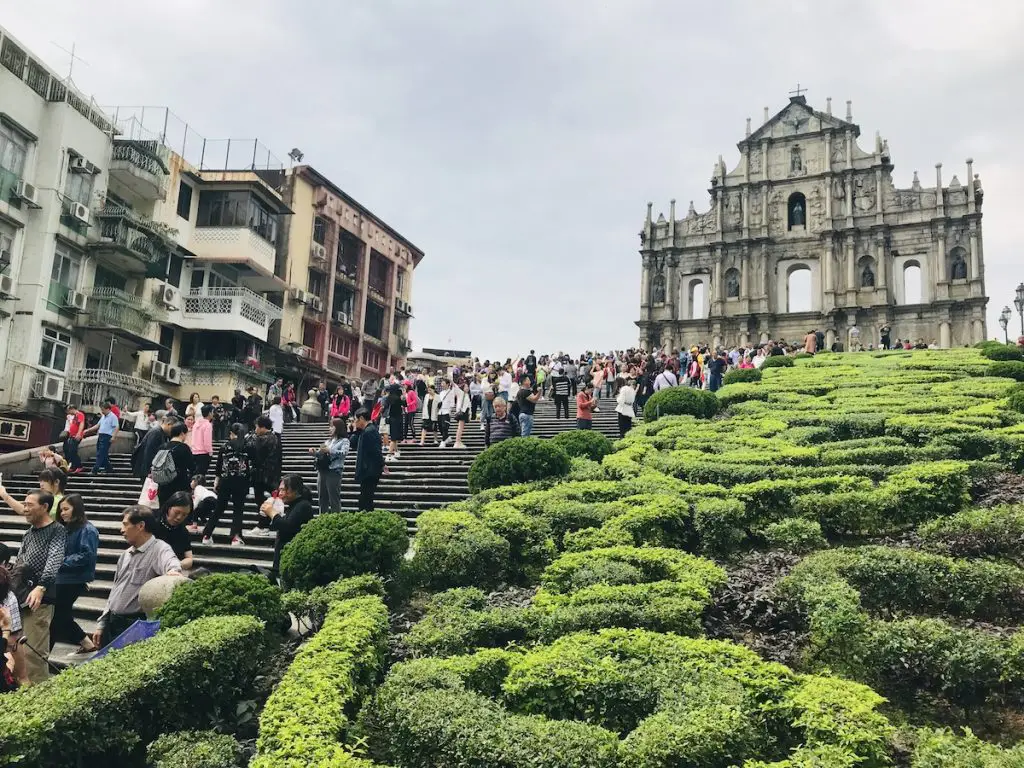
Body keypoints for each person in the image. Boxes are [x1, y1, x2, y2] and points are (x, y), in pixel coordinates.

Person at [0, 486, 65, 684]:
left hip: (40, 599)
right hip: (20, 596)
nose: (25, 509)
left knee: (34, 654)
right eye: (25, 505)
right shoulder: (29, 533)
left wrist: (41, 586)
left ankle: (39, 698)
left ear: (45, 507)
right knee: (18, 649)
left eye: (29, 505)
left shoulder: (57, 530)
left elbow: (55, 559)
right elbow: (20, 562)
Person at [92, 506, 181, 649]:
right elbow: (115, 590)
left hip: (134, 626)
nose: (122, 530)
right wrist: (102, 624)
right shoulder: (125, 554)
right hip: (112, 622)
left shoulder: (159, 549)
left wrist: (173, 571)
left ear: (140, 526)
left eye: (125, 524)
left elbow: (172, 563)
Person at [51, 493, 98, 653]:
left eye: (66, 509)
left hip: (73, 579)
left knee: (58, 616)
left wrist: (61, 561)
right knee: (61, 615)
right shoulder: (66, 529)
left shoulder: (88, 530)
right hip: (61, 578)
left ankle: (46, 653)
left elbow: (86, 555)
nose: (62, 513)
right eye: (61, 510)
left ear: (76, 509)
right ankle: (87, 644)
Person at [261, 474, 315, 582]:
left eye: (283, 490)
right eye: (279, 490)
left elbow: (287, 526)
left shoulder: (303, 506)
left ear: (295, 490)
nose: (280, 494)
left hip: (292, 560)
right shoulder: (293, 505)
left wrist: (272, 513)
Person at [204, 424, 250, 546]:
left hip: (225, 481)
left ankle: (207, 534)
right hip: (241, 481)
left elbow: (218, 466)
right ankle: (236, 537)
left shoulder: (224, 447)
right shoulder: (247, 446)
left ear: (231, 433)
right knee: (238, 510)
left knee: (219, 508)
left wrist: (216, 480)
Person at [310, 418, 349, 515]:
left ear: (338, 427)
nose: (330, 428)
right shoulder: (328, 441)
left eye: (332, 426)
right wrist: (315, 453)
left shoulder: (344, 441)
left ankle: (336, 519)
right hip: (322, 470)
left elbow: (344, 453)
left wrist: (330, 451)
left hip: (334, 471)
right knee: (322, 497)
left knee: (333, 498)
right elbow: (321, 454)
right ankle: (322, 518)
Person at [249, 416, 282, 531]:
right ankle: (266, 522)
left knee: (260, 499)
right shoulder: (276, 438)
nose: (256, 429)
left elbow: (256, 456)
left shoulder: (262, 439)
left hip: (262, 475)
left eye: (257, 427)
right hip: (272, 474)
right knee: (267, 498)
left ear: (263, 427)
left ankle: (264, 524)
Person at [154, 420, 195, 508]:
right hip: (179, 485)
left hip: (163, 485)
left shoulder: (162, 447)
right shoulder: (184, 448)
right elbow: (192, 466)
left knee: (164, 510)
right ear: (182, 433)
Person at [154, 492, 195, 570]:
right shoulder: (153, 523)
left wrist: (175, 565)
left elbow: (189, 559)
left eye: (184, 515)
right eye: (177, 512)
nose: (179, 517)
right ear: (169, 508)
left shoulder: (183, 532)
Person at [353, 409, 384, 511]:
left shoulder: (369, 431)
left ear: (361, 418)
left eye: (356, 420)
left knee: (365, 500)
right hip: (368, 470)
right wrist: (355, 430)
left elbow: (376, 451)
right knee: (365, 499)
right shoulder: (366, 431)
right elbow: (353, 444)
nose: (355, 422)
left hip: (369, 470)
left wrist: (382, 464)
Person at [133, 415, 174, 480]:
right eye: (173, 428)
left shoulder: (160, 433)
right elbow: (149, 453)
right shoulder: (156, 433)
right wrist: (150, 471)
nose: (173, 432)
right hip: (148, 470)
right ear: (169, 424)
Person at [62, 403, 86, 474]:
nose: (68, 412)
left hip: (76, 435)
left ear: (72, 409)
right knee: (69, 450)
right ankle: (73, 466)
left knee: (73, 450)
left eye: (69, 410)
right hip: (72, 435)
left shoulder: (80, 414)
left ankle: (79, 466)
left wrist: (78, 433)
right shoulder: (74, 416)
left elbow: (81, 424)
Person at [191, 404, 214, 478]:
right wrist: (210, 452)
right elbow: (207, 441)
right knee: (201, 476)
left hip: (194, 452)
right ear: (210, 413)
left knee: (195, 475)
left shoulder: (196, 424)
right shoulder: (208, 425)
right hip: (203, 453)